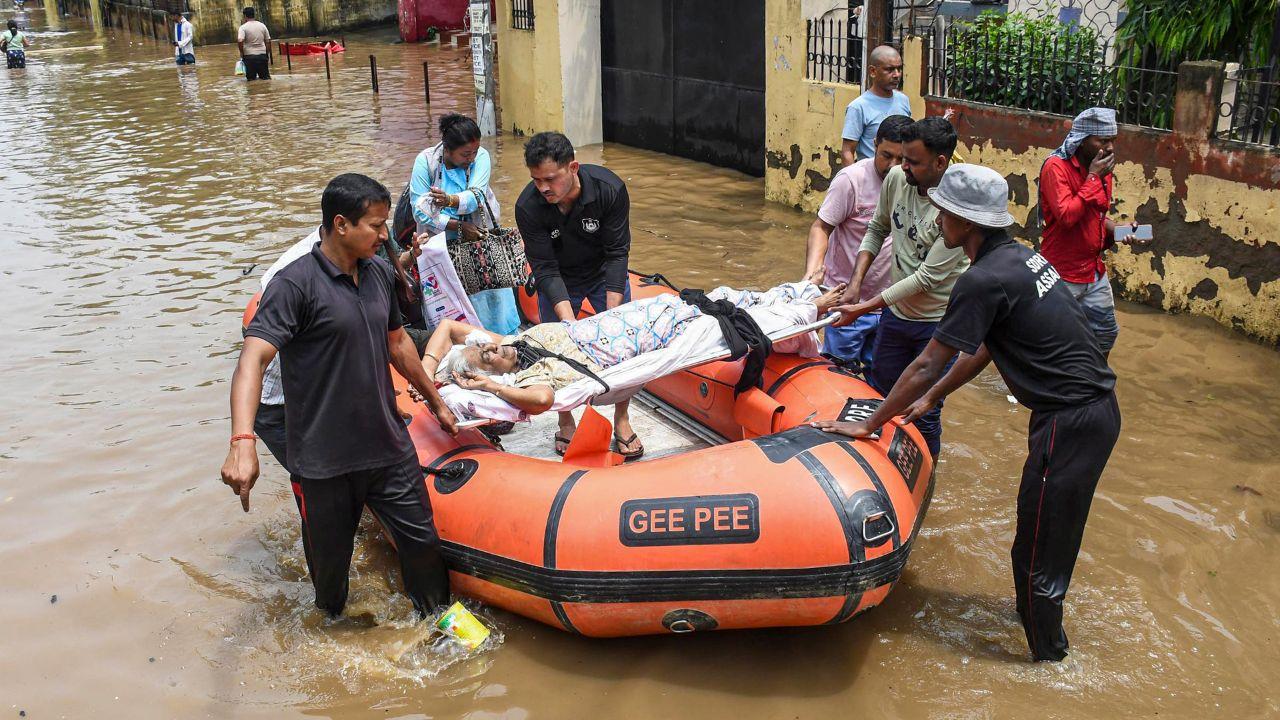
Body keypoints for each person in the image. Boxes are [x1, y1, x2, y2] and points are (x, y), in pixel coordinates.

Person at [817, 164, 1120, 662]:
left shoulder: (981, 279)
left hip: (1069, 422)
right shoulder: (1021, 260)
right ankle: (1041, 631)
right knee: (1047, 538)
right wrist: (937, 396)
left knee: (1035, 554)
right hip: (1090, 413)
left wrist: (872, 421)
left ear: (967, 223)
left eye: (944, 213)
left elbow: (926, 361)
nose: (937, 221)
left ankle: (1049, 666)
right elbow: (989, 347)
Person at [220, 173, 458, 620]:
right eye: (376, 225)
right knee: (330, 577)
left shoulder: (378, 274)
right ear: (341, 224)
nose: (385, 235)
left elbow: (398, 343)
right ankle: (333, 646)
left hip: (387, 445)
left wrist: (437, 403)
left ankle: (443, 629)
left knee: (422, 544)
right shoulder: (294, 285)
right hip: (325, 460)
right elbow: (252, 361)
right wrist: (242, 442)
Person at [430, 284, 849, 413]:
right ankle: (809, 305)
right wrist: (487, 387)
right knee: (723, 321)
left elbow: (448, 326)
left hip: (641, 313)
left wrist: (429, 372)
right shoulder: (530, 377)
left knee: (717, 297)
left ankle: (801, 288)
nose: (492, 350)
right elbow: (541, 400)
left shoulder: (517, 343)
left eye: (486, 348)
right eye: (488, 356)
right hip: (653, 336)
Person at [832, 117, 967, 459]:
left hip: (937, 325)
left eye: (912, 161)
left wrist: (864, 307)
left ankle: (925, 480)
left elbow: (926, 278)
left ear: (940, 162)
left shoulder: (956, 208)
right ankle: (875, 466)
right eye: (901, 158)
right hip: (896, 316)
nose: (901, 166)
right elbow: (877, 229)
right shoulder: (896, 178)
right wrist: (856, 284)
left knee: (924, 410)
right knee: (879, 394)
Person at [514, 131, 642, 460]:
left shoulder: (609, 189)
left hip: (602, 272)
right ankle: (566, 419)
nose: (543, 188)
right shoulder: (528, 207)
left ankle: (622, 419)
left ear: (573, 167)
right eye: (536, 179)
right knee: (555, 348)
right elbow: (544, 267)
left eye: (550, 179)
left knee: (623, 346)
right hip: (559, 277)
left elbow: (617, 254)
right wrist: (571, 326)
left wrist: (611, 318)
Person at [803, 114, 913, 370]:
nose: (893, 166)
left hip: (889, 304)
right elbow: (821, 227)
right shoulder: (851, 180)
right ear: (874, 144)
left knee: (882, 380)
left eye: (902, 159)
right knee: (838, 372)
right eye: (887, 155)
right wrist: (812, 273)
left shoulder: (914, 183)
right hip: (847, 302)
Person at [1038, 107, 1149, 358]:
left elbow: (1096, 218)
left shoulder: (1100, 170)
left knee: (1105, 334)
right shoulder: (1056, 167)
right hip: (1062, 275)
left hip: (1093, 271)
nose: (1110, 148)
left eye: (1113, 141)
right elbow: (1067, 217)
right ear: (1083, 139)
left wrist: (1121, 232)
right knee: (1054, 344)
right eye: (1103, 140)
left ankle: (1093, 388)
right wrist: (1092, 178)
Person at [409, 113, 520, 335]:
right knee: (448, 304)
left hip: (480, 239)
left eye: (474, 151)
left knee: (492, 298)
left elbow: (476, 197)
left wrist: (449, 201)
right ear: (447, 150)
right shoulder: (426, 161)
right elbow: (420, 211)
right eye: (465, 154)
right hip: (440, 246)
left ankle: (503, 338)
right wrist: (456, 226)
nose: (471, 157)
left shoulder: (482, 158)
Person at [840, 45, 913, 166]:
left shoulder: (903, 100)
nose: (897, 75)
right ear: (873, 71)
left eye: (899, 69)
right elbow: (847, 151)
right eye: (889, 70)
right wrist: (855, 182)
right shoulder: (858, 107)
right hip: (872, 177)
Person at [237, 7, 271, 82]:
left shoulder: (243, 28)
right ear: (254, 15)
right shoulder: (262, 26)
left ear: (245, 16)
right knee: (266, 79)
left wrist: (242, 52)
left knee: (251, 80)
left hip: (249, 56)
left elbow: (240, 40)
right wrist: (266, 54)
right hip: (262, 55)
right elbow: (268, 41)